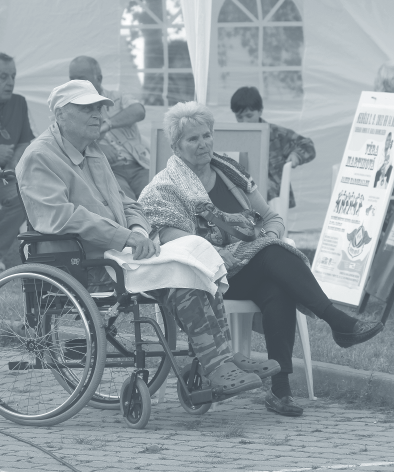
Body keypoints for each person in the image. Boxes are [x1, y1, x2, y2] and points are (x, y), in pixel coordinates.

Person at [16, 80, 278, 399]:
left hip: (120, 247)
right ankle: (215, 362)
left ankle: (222, 355)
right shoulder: (38, 156)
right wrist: (125, 235)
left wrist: (139, 229)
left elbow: (127, 202)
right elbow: (61, 217)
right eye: (87, 108)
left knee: (197, 251)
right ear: (61, 115)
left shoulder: (93, 152)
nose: (99, 114)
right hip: (82, 258)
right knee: (180, 270)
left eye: (99, 107)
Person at [139, 101, 384, 417]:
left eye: (207, 135)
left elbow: (270, 217)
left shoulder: (231, 173)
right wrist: (249, 245)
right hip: (206, 276)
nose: (203, 144)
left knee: (276, 284)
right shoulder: (165, 186)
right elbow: (176, 240)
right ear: (176, 146)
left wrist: (271, 233)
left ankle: (280, 392)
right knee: (269, 253)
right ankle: (338, 322)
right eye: (193, 139)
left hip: (247, 267)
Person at [69, 56, 149, 200]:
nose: (75, 84)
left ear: (98, 78)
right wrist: (97, 147)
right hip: (107, 170)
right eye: (71, 79)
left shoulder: (118, 97)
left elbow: (139, 111)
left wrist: (108, 124)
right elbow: (69, 144)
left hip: (139, 165)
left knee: (154, 199)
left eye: (80, 79)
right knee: (126, 205)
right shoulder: (70, 109)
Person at [230, 86, 316, 208]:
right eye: (239, 117)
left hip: (275, 199)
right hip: (244, 200)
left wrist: (296, 155)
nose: (244, 121)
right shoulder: (232, 137)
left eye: (249, 116)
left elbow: (307, 144)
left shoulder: (276, 134)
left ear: (260, 111)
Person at [0, 52, 35, 272]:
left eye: (13, 76)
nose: (10, 82)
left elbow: (24, 143)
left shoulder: (19, 103)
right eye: (3, 76)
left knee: (25, 196)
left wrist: (11, 168)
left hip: (5, 174)